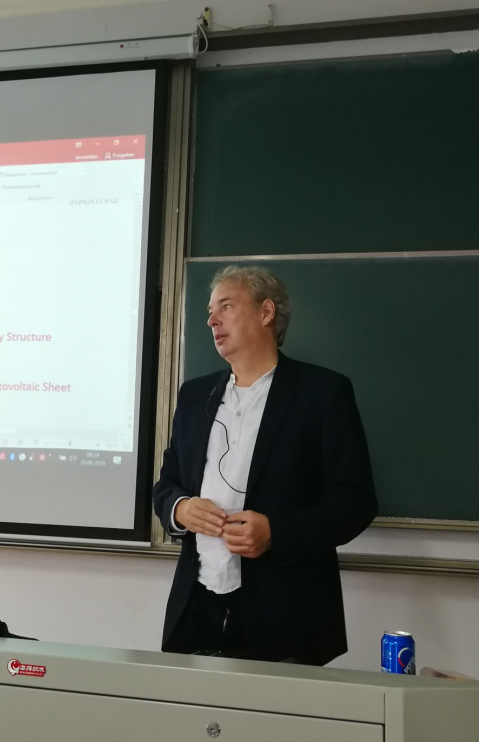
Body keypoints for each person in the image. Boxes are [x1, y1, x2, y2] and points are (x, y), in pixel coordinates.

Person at [153, 265, 377, 666]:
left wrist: (276, 532)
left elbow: (355, 501)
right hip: (196, 610)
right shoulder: (194, 395)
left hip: (286, 616)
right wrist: (180, 509)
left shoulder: (323, 393)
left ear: (266, 312)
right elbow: (167, 483)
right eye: (210, 311)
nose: (212, 320)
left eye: (226, 306)